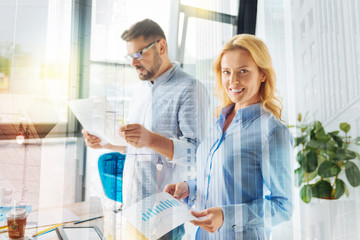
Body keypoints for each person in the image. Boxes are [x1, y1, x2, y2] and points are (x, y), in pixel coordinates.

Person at [82, 19, 208, 239]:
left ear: (161, 47)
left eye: (139, 54)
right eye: (130, 56)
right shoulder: (139, 91)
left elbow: (197, 153)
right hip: (131, 205)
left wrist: (150, 139)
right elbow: (137, 148)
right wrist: (104, 142)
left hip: (164, 212)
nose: (133, 63)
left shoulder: (190, 89)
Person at [164, 34, 293, 239]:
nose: (233, 81)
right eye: (227, 72)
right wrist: (189, 188)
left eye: (243, 71)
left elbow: (283, 206)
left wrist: (227, 216)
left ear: (262, 74)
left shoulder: (272, 131)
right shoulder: (217, 123)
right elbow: (223, 180)